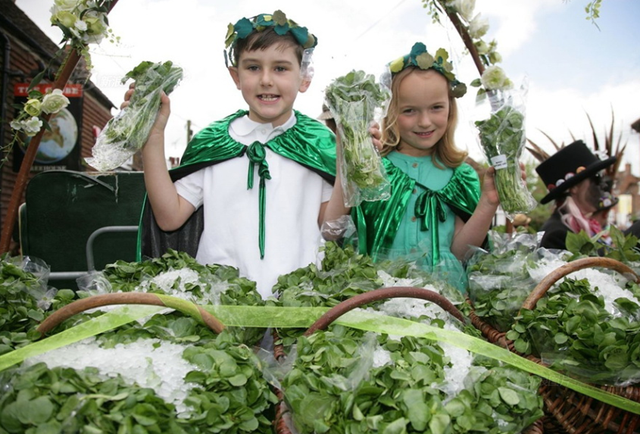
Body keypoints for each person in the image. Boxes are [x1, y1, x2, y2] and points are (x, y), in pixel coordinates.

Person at [132, 11, 340, 299]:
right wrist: (153, 137)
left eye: (281, 68)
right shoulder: (214, 140)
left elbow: (332, 229)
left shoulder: (321, 143)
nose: (266, 80)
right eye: (253, 67)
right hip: (219, 303)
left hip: (300, 305)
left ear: (304, 77)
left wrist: (349, 159)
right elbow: (169, 218)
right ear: (236, 76)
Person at [323, 42, 501, 293]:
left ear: (450, 108)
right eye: (409, 110)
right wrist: (347, 160)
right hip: (376, 292)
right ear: (390, 111)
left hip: (443, 296)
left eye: (436, 107)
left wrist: (488, 204)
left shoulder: (461, 176)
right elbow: (332, 231)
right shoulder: (372, 166)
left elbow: (461, 253)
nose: (425, 121)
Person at [535, 140, 617, 250]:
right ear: (574, 187)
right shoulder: (557, 235)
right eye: (596, 178)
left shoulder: (571, 228)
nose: (601, 186)